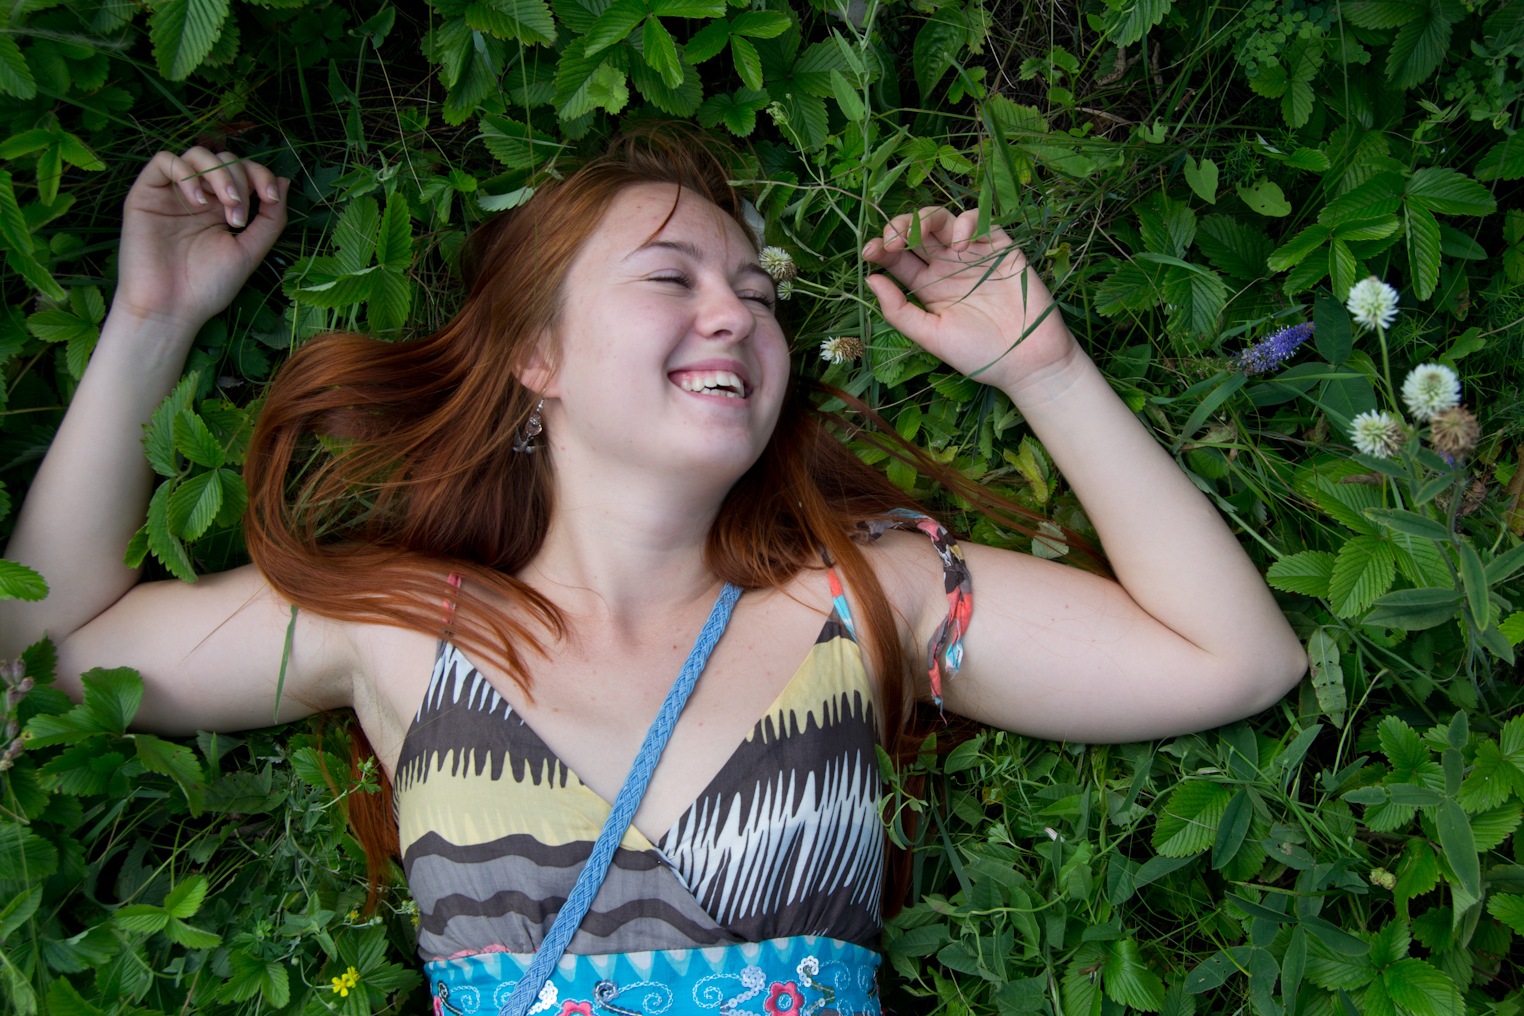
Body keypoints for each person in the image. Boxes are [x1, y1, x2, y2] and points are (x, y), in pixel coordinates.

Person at [0, 129, 1306, 1015]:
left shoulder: (866, 600)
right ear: (538, 358)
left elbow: (1234, 659)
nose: (734, 311)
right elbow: (36, 653)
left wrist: (1042, 367)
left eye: (756, 294)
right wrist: (152, 322)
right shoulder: (403, 628)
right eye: (669, 278)